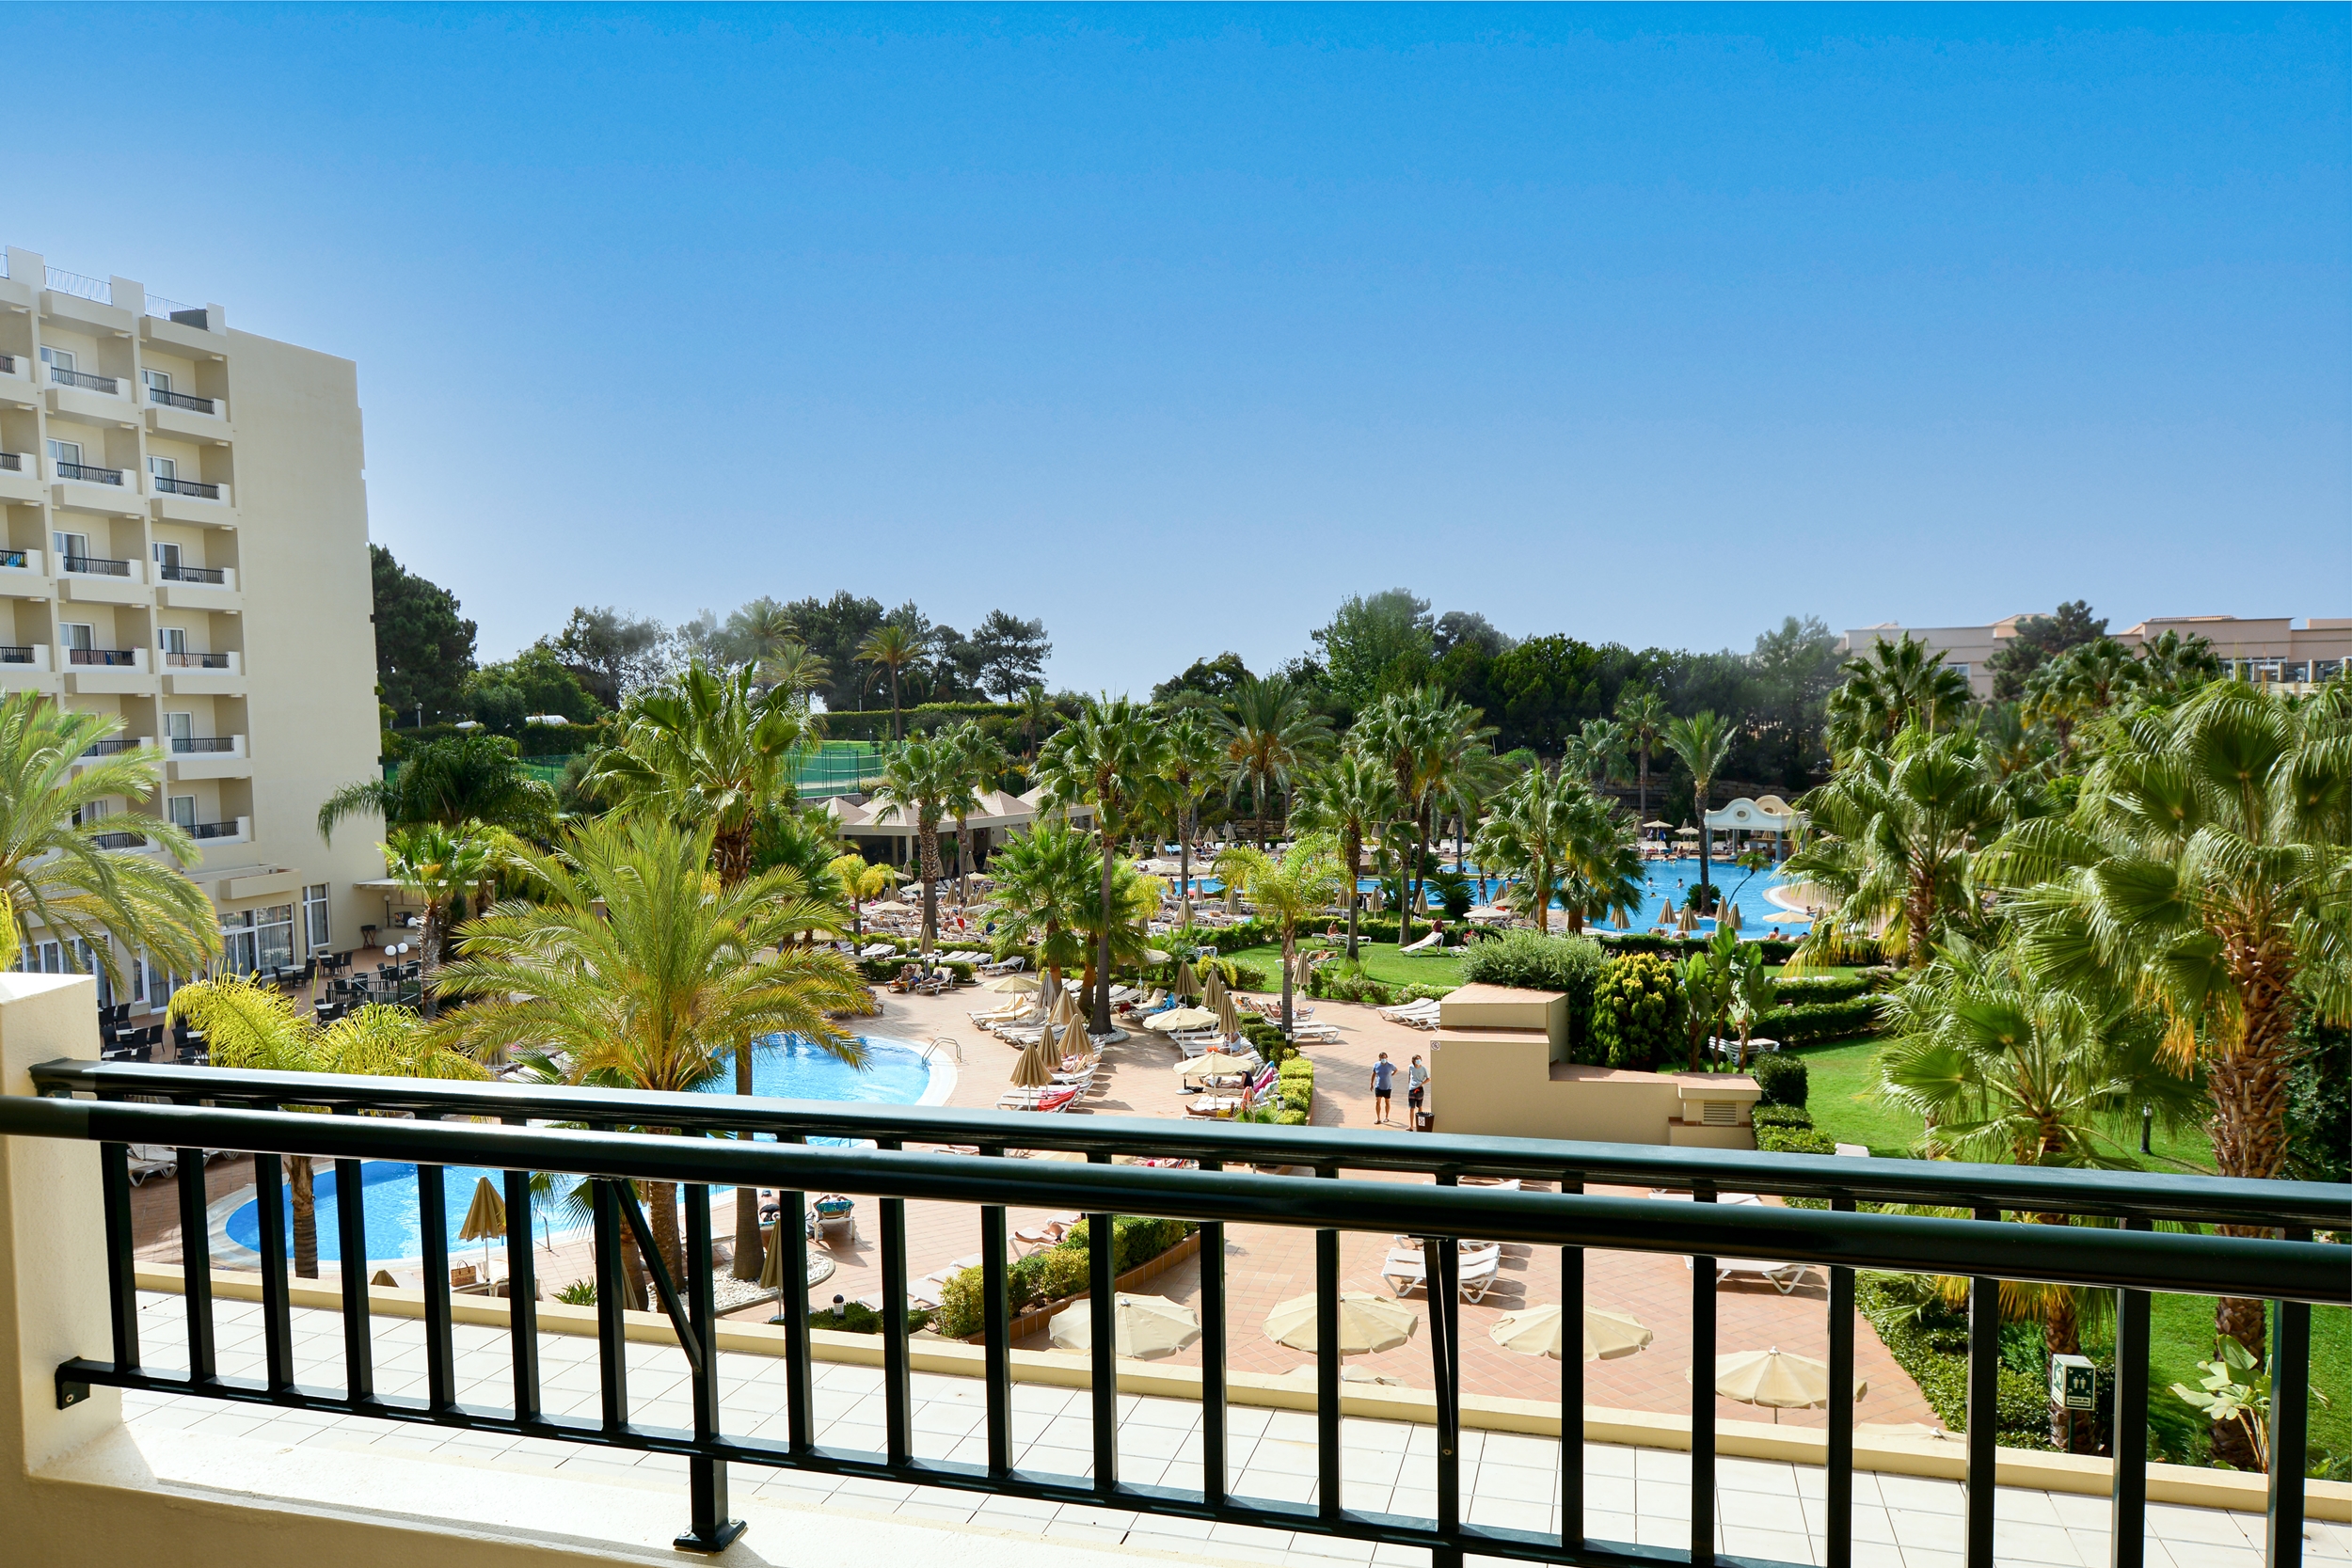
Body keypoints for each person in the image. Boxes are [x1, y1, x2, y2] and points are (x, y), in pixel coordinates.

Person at [1370, 1052, 1396, 1126]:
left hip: (1387, 1087)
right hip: (1379, 1086)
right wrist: (1371, 1083)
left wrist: (1392, 1075)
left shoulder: (1390, 1065)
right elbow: (1373, 1074)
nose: (1383, 1059)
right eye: (1382, 1058)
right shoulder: (1376, 1065)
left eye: (1385, 1058)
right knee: (1377, 1102)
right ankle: (1378, 1118)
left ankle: (1386, 1116)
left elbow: (1396, 1070)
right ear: (1379, 1058)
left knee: (1387, 1102)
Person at [1406, 1055, 1429, 1130]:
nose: (1418, 1061)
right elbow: (1410, 1074)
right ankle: (1411, 1125)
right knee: (1411, 1108)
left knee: (1420, 1107)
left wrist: (1422, 1083)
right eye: (1416, 1060)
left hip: (1419, 1089)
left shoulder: (1424, 1069)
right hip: (1412, 1089)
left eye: (1419, 1059)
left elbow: (1428, 1078)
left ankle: (1420, 1125)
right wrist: (1409, 1082)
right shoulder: (1410, 1067)